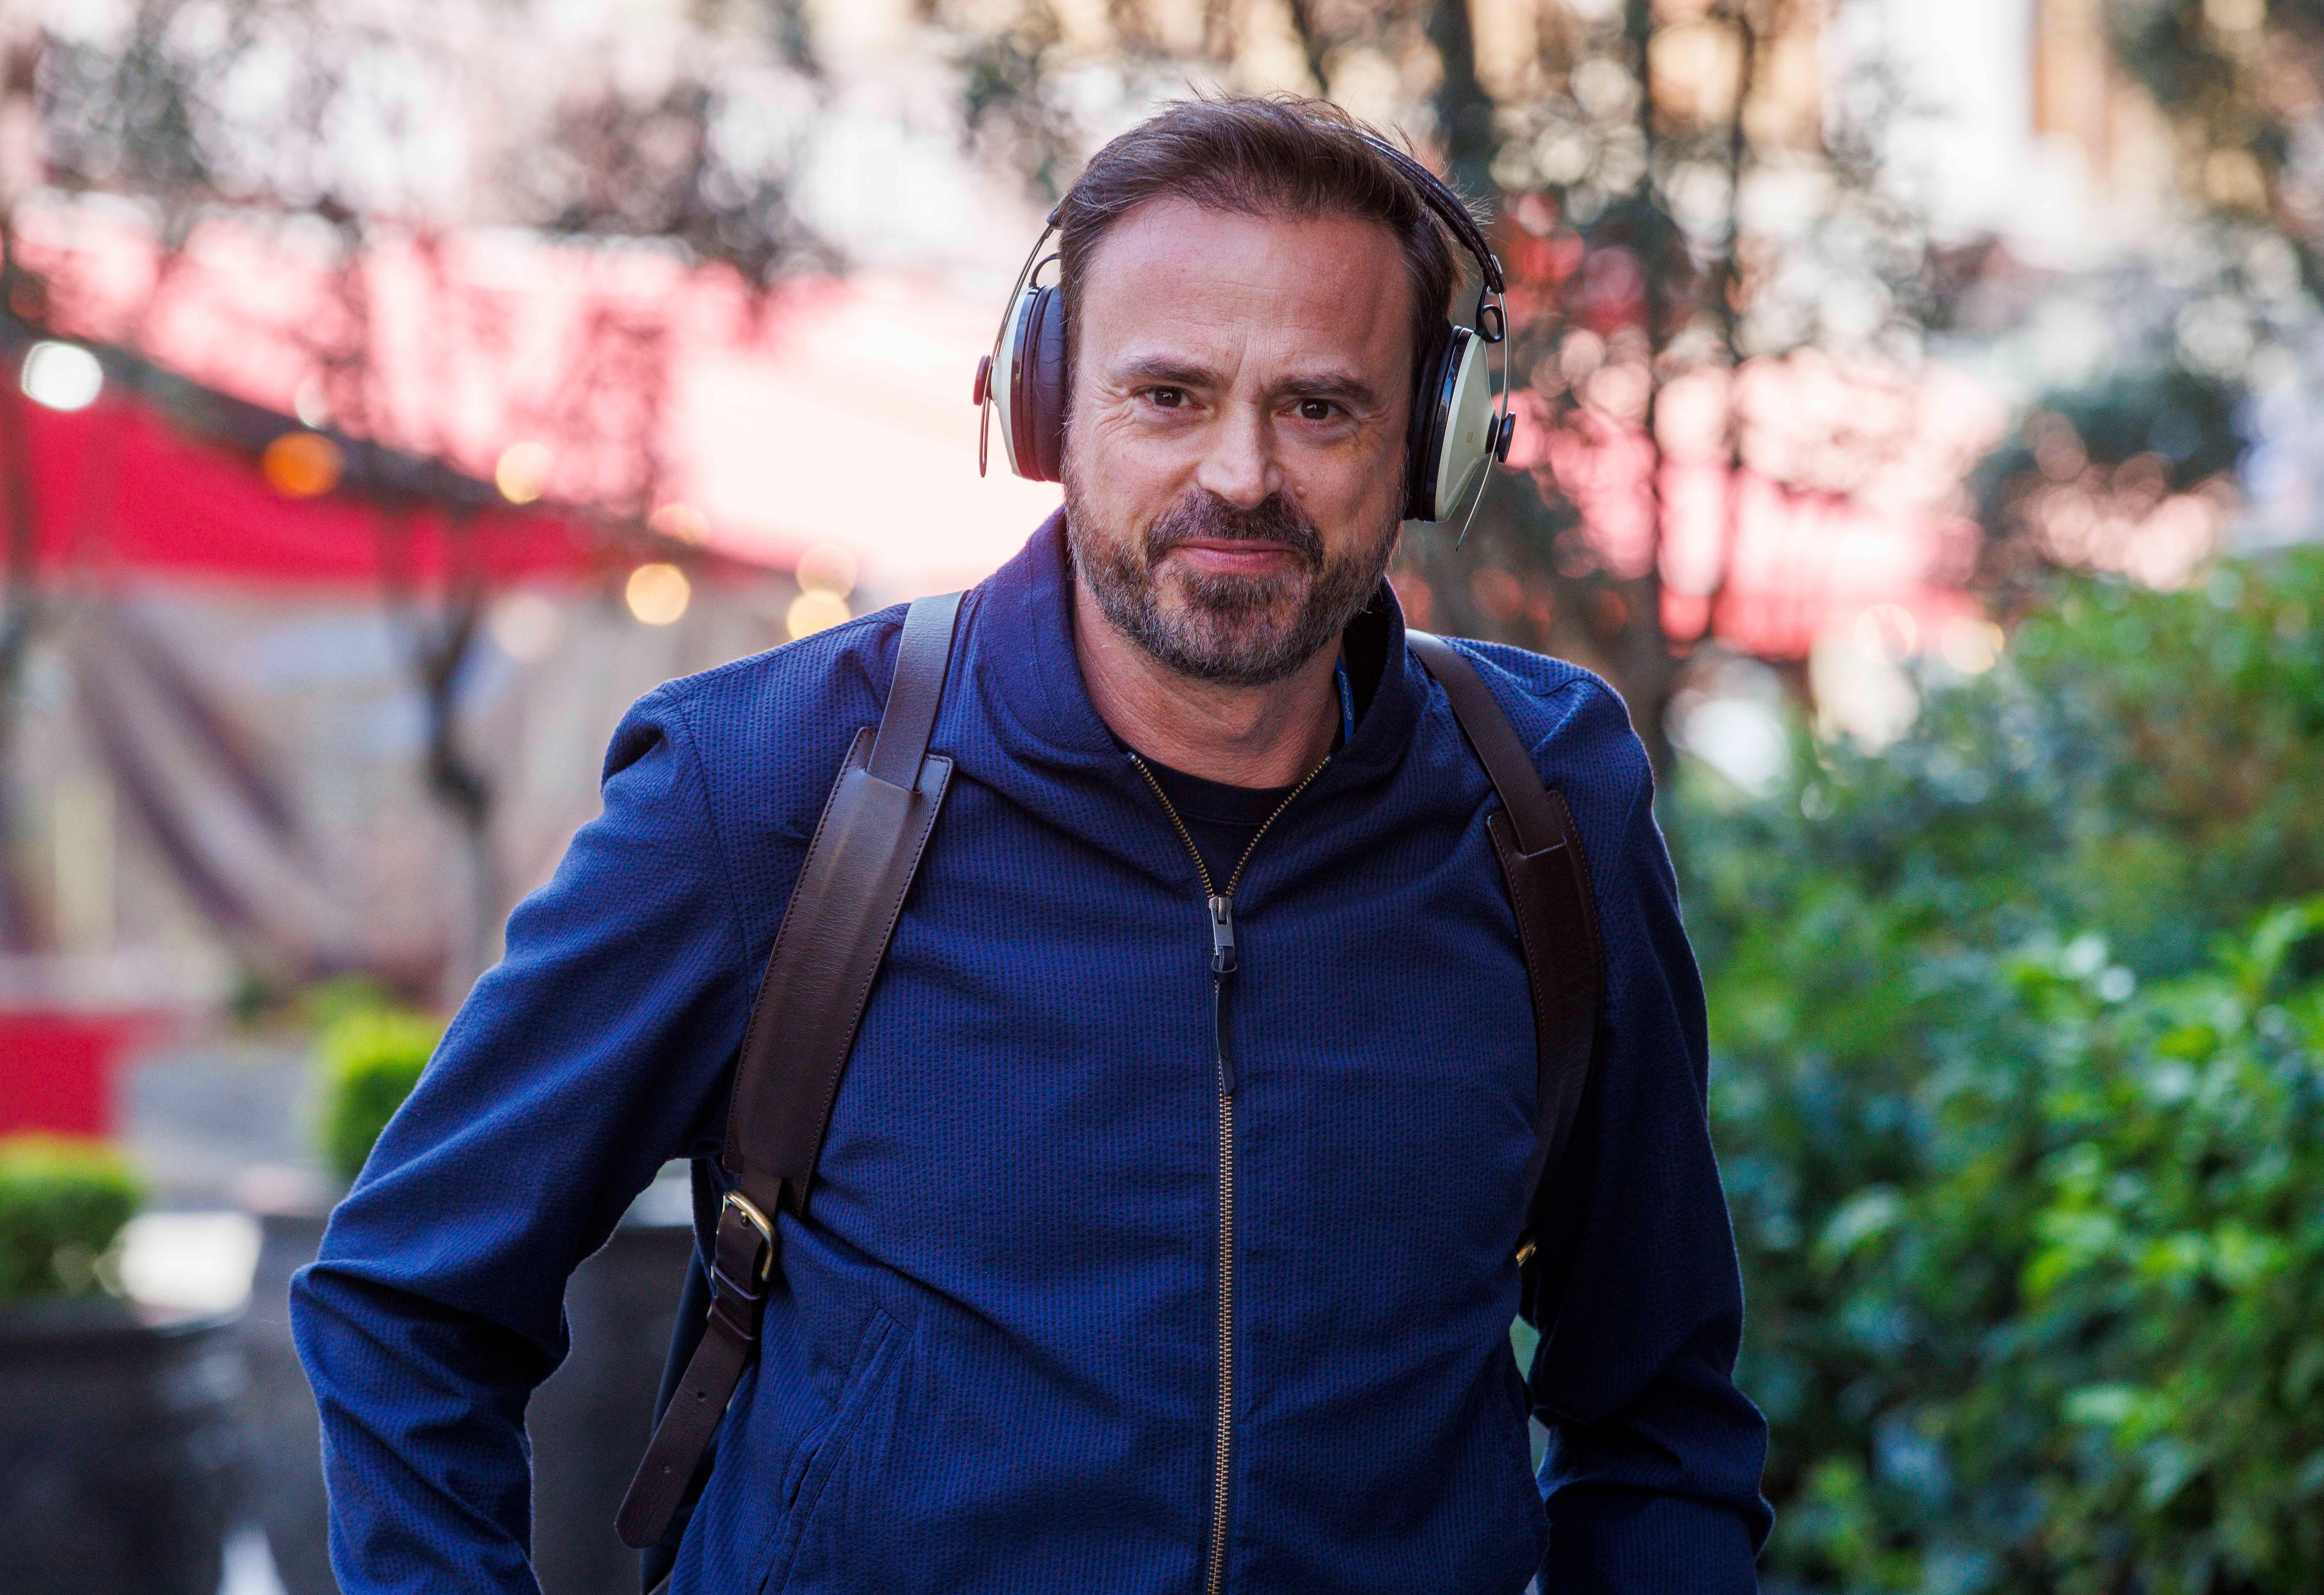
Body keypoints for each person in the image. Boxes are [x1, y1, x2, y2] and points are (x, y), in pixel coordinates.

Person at [294, 94, 1769, 1595]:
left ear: (1434, 442)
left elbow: (1654, 1408)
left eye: (1320, 406)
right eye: (1169, 396)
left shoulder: (1545, 804)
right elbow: (405, 1305)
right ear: (1050, 412)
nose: (1241, 476)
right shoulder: (766, 788)